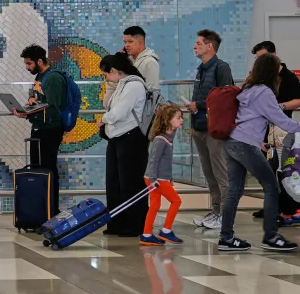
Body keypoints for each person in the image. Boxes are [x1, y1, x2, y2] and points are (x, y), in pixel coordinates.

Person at [218, 53, 300, 252]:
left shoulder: (247, 88)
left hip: (232, 142)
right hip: (245, 145)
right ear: (272, 72)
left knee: (234, 191)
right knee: (271, 187)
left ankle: (226, 238)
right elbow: (281, 120)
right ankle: (271, 236)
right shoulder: (264, 92)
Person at [250, 41, 300, 220]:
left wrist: (279, 107)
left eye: (262, 58)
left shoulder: (288, 77)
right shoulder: (263, 79)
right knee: (267, 169)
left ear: (273, 55)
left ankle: (285, 208)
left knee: (282, 169)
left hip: (282, 130)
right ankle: (271, 206)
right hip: (264, 129)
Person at [98, 53, 150, 237]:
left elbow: (118, 113)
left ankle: (134, 224)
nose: (106, 78)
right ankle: (117, 222)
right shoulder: (121, 84)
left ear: (114, 71)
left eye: (106, 75)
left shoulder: (135, 85)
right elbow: (109, 105)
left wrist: (103, 119)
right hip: (117, 139)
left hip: (131, 139)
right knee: (114, 183)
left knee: (130, 183)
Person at [188, 30, 235, 230]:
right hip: (199, 127)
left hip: (214, 129)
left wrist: (198, 104)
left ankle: (224, 214)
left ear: (209, 46)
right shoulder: (201, 69)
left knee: (220, 172)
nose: (195, 46)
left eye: (198, 43)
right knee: (209, 173)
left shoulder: (221, 68)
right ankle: (216, 210)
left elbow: (226, 96)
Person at [16, 45, 66, 214]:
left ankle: (51, 209)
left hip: (50, 130)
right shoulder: (41, 77)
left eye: (29, 63)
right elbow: (39, 101)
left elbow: (53, 108)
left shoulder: (53, 78)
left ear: (39, 61)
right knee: (37, 168)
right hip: (39, 128)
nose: (27, 67)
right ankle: (40, 209)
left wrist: (30, 114)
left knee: (48, 168)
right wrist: (29, 105)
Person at [140, 104, 184, 246]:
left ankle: (146, 234)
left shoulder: (167, 138)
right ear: (168, 120)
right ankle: (166, 230)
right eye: (178, 118)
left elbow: (166, 163)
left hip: (157, 178)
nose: (182, 120)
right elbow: (153, 160)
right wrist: (153, 179)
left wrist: (169, 178)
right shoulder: (160, 140)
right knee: (176, 201)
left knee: (154, 205)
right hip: (156, 179)